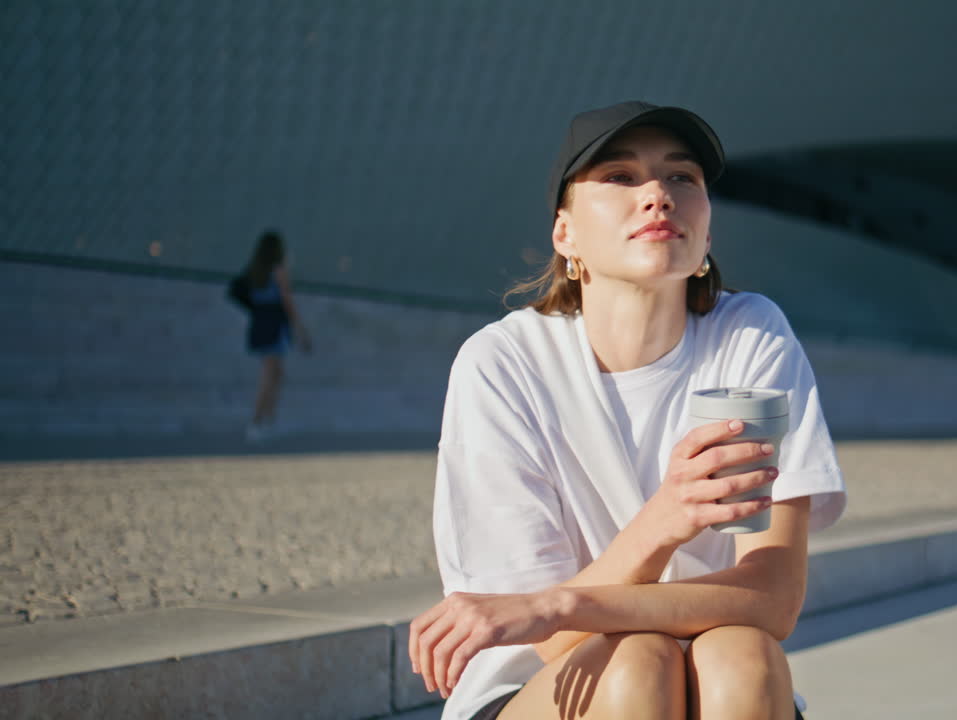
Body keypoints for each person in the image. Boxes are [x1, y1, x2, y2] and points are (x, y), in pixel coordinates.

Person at [408, 102, 846, 720]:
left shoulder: (750, 337)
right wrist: (664, 520)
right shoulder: (503, 365)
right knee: (638, 664)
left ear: (708, 233)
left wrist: (562, 601)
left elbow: (771, 600)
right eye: (619, 176)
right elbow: (549, 641)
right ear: (565, 234)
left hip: (712, 679)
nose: (658, 195)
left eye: (681, 178)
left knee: (741, 657)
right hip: (536, 689)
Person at [241, 230, 311, 442]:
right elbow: (287, 301)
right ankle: (258, 422)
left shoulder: (256, 270)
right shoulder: (278, 271)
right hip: (275, 326)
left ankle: (267, 420)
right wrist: (300, 328)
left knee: (276, 374)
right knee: (270, 374)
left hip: (261, 324)